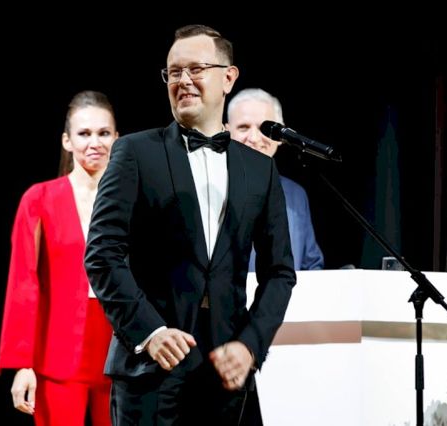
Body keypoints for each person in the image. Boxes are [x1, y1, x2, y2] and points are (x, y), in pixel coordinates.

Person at [85, 25, 296, 425]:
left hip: (226, 372)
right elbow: (102, 255)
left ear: (228, 78)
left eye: (196, 69)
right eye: (174, 72)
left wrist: (251, 345)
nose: (183, 81)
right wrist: (150, 332)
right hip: (150, 369)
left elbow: (280, 272)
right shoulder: (134, 152)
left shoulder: (259, 169)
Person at [0, 90, 118, 426]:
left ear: (116, 138)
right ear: (67, 141)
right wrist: (23, 363)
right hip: (59, 352)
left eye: (103, 133)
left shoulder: (134, 199)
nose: (94, 142)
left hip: (120, 348)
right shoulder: (39, 199)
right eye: (84, 133)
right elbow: (23, 282)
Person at [227, 88, 325, 271]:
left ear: (281, 136)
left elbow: (311, 265)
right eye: (243, 127)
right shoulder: (211, 187)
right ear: (226, 132)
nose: (254, 138)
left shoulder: (295, 194)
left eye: (265, 128)